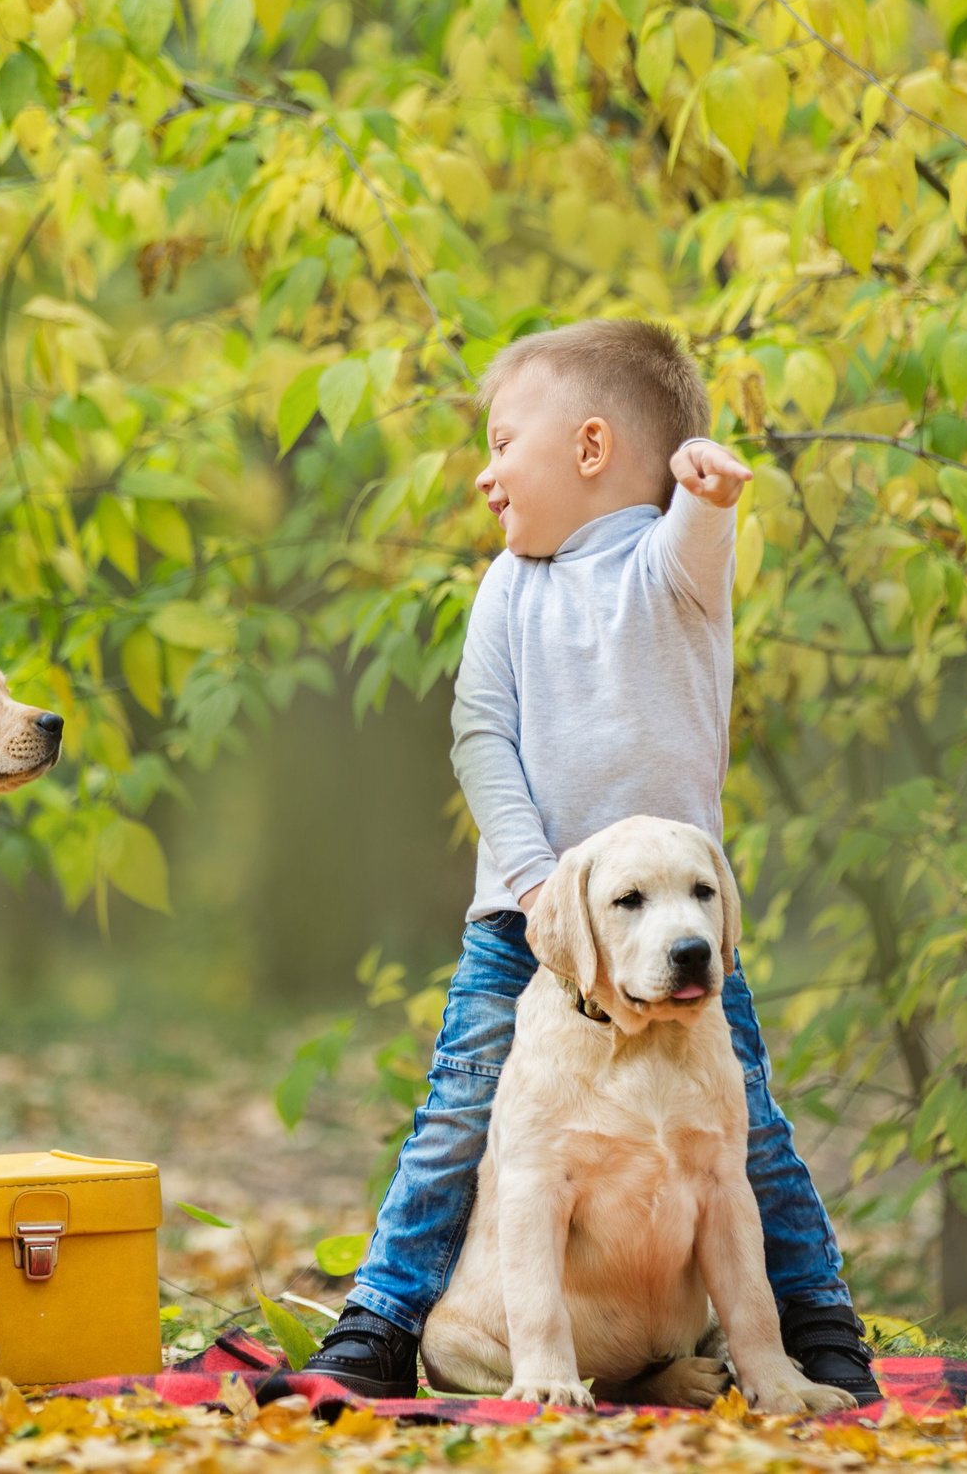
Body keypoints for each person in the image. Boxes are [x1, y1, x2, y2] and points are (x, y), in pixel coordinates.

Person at [302, 319, 881, 1403]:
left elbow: (698, 539)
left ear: (588, 448)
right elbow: (481, 736)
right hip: (519, 924)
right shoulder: (505, 590)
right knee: (459, 1118)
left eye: (501, 441)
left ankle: (814, 1328)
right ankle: (381, 1320)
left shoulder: (671, 574)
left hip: (669, 926)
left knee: (744, 1131)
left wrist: (709, 496)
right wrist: (532, 888)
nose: (484, 471)